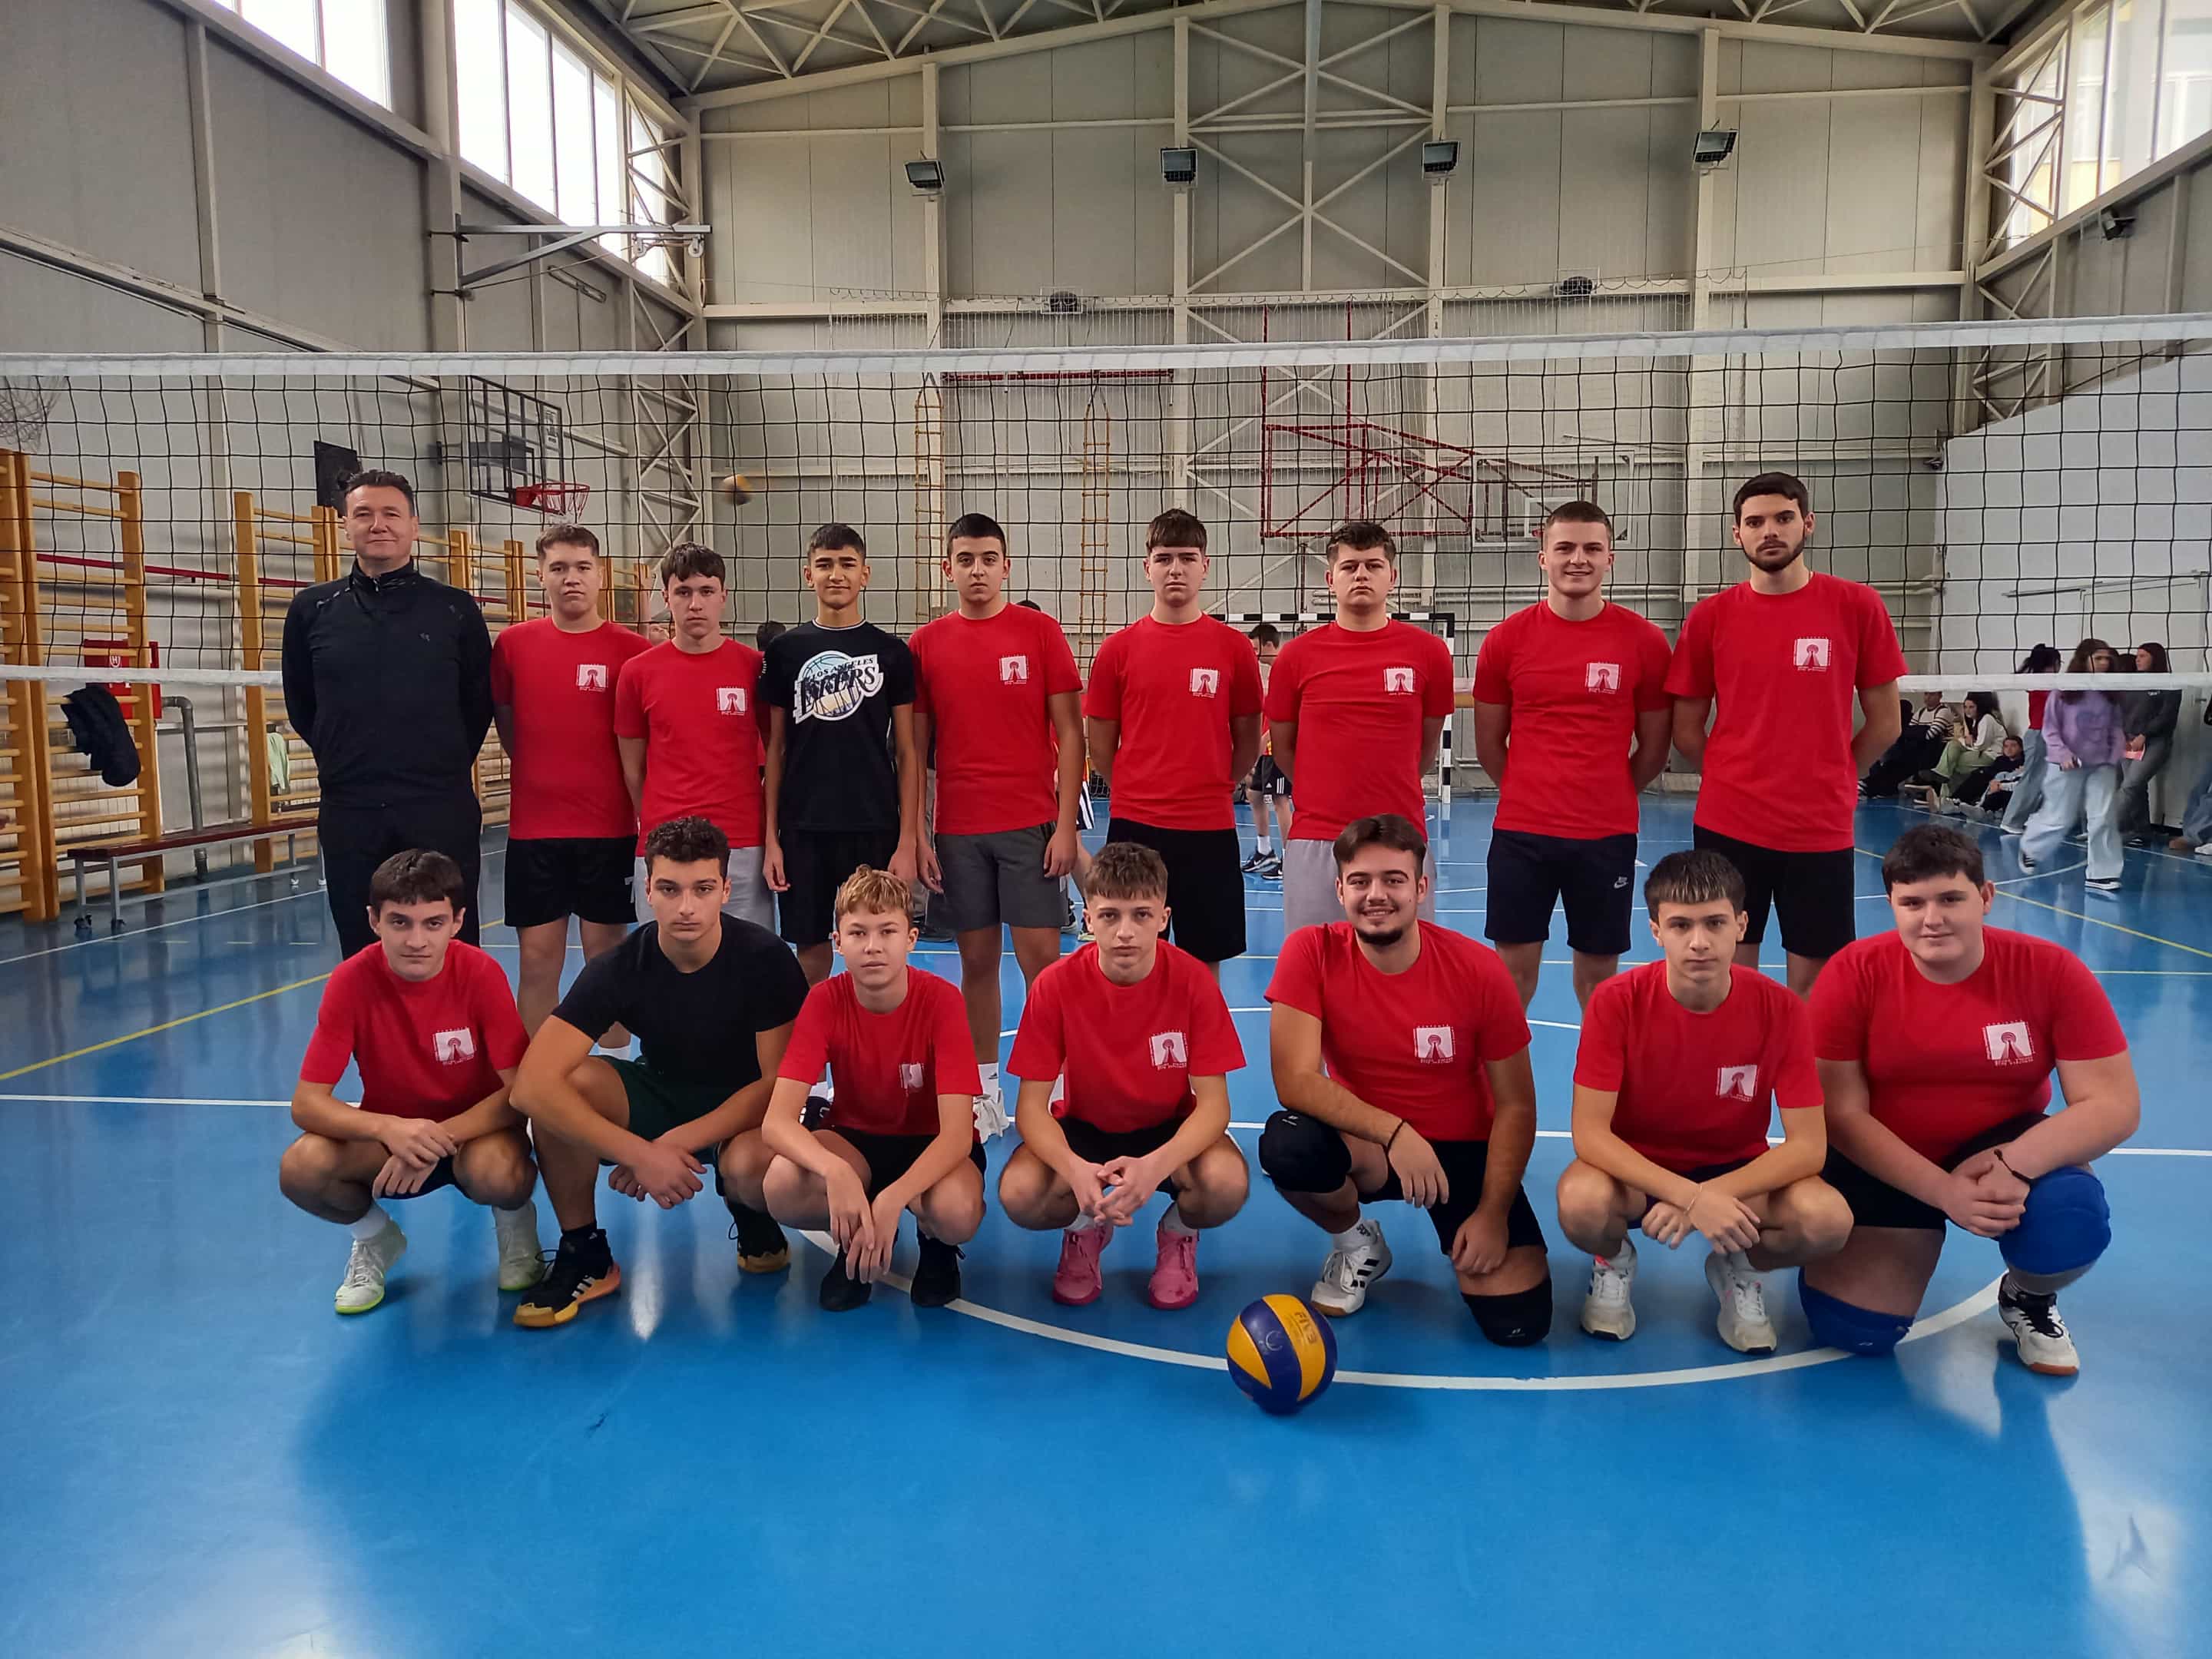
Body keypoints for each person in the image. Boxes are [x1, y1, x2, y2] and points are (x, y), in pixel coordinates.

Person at [1803, 824, 2137, 1376]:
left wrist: (2015, 1163)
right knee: (1856, 1331)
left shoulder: (2050, 970)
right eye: (1913, 903)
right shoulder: (1854, 972)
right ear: (1891, 905)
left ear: (1985, 897)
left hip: (2000, 1147)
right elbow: (1840, 1113)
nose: (1932, 919)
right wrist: (1941, 1191)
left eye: (1950, 899)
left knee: (2070, 1218)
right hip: (1885, 1153)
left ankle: (2028, 1296)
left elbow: (2113, 1104)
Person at [1257, 813, 1551, 1344]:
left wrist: (1493, 1213)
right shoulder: (1311, 951)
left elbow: (1517, 1105)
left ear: (1420, 888)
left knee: (1520, 1324)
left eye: (1393, 880)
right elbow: (1295, 1081)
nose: (1377, 895)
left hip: (1464, 1151)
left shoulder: (1478, 970)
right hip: (1371, 1145)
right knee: (1289, 1144)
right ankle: (1357, 1243)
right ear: (1340, 890)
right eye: (1361, 881)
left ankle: (1473, 1223)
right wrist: (1396, 1133)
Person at [508, 816, 810, 1328]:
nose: (686, 906)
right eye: (669, 889)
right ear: (647, 891)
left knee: (750, 1166)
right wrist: (639, 1153)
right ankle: (585, 1251)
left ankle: (751, 1213)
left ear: (725, 890)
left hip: (743, 1111)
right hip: (661, 1089)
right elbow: (530, 1087)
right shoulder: (620, 966)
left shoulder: (765, 959)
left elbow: (776, 1086)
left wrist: (674, 1143)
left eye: (702, 889)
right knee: (564, 1091)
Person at [1557, 850, 1851, 1353]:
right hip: (1639, 1172)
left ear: (1741, 925)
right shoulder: (1616, 1001)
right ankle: (1614, 1260)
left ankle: (1740, 1265)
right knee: (1581, 1204)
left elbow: (1808, 1147)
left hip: (1738, 1173)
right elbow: (1590, 1134)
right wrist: (1690, 1197)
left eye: (1714, 923)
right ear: (1656, 931)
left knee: (1828, 1221)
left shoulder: (1781, 1008)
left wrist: (1712, 1196)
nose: (1698, 942)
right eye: (1680, 925)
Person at [1668, 472, 1906, 997]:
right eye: (1755, 522)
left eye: (1783, 518)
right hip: (1729, 826)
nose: (1769, 531)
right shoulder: (1709, 618)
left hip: (1819, 828)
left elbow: (1886, 722)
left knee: (1818, 987)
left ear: (1808, 523)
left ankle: (1803, 1059)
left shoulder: (1857, 606)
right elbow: (1685, 728)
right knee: (1729, 979)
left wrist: (1834, 773)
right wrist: (1733, 777)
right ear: (1737, 534)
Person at [278, 849, 541, 1314]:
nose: (416, 940)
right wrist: (389, 1129)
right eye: (400, 922)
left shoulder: (481, 973)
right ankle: (375, 1238)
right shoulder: (350, 981)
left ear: (457, 922)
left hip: (476, 1135)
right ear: (374, 920)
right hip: (393, 1141)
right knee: (302, 1167)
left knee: (498, 1172)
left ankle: (516, 1225)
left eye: (433, 923)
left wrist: (433, 1140)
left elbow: (521, 1092)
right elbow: (307, 1103)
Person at [1001, 841, 1249, 1310]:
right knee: (1021, 1194)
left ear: (1164, 918)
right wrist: (1073, 1170)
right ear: (1088, 919)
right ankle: (1084, 1229)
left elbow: (1215, 1105)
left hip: (1167, 1127)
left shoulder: (1193, 981)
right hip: (1084, 1127)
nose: (1125, 932)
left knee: (1226, 1183)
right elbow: (1030, 1110)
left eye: (1141, 915)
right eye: (1110, 916)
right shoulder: (1055, 985)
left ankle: (1178, 1233)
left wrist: (1155, 1167)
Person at [910, 512, 1084, 1134]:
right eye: (966, 559)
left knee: (1044, 966)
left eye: (988, 558)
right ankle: (986, 1094)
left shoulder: (1039, 632)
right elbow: (915, 750)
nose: (977, 569)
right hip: (959, 830)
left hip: (1029, 825)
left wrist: (1066, 827)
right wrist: (919, 834)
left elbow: (1071, 732)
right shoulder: (926, 643)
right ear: (948, 568)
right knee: (977, 964)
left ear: (1006, 566)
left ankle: (1055, 1089)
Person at [281, 469, 493, 959]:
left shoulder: (455, 610)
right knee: (362, 948)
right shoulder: (312, 609)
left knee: (452, 946)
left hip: (438, 805)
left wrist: (434, 766)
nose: (378, 525)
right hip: (351, 808)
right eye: (364, 514)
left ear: (414, 526)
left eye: (391, 514)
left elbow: (477, 704)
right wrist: (349, 761)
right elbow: (303, 705)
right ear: (345, 526)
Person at [1471, 501, 1672, 1009]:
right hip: (1521, 835)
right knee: (1511, 981)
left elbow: (1654, 747)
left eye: (1591, 549)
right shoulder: (1505, 641)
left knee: (1600, 982)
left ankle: (1599, 1066)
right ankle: (1509, 1070)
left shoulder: (1645, 642)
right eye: (1564, 548)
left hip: (1606, 835)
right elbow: (1490, 745)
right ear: (1543, 557)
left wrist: (1609, 790)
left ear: (1610, 559)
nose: (1577, 559)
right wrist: (1528, 791)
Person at [759, 867, 984, 1311]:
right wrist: (836, 1172)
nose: (873, 946)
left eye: (887, 931)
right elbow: (776, 1123)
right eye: (858, 933)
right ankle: (854, 1239)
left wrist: (894, 1199)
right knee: (781, 1185)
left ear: (911, 939)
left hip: (931, 1142)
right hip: (855, 1141)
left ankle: (936, 1247)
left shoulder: (942, 1000)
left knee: (956, 1211)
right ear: (838, 942)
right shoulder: (825, 1000)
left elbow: (958, 1135)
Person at [1084, 510, 1263, 978]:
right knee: (1131, 958)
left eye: (1187, 558)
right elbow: (1100, 746)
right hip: (1136, 826)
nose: (1175, 569)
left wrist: (1216, 783)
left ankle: (1200, 1035)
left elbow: (1248, 737)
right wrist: (1135, 788)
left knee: (1205, 962)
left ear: (1205, 566)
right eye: (1164, 559)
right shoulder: (1117, 650)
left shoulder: (1233, 649)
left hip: (1209, 825)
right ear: (1148, 568)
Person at [490, 525, 649, 1031]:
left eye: (582, 567)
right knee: (538, 960)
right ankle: (540, 1075)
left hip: (610, 830)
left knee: (606, 961)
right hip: (535, 833)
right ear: (540, 575)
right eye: (558, 568)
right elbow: (509, 727)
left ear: (600, 575)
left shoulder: (633, 650)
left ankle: (615, 1068)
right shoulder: (513, 645)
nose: (571, 578)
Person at [1265, 522, 1455, 934]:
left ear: (1392, 576)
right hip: (1319, 836)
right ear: (1330, 579)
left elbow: (1425, 747)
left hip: (1401, 836)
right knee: (1316, 963)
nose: (1362, 575)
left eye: (1373, 565)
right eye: (1350, 567)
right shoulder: (1296, 658)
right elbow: (1284, 749)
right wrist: (1325, 792)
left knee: (1403, 966)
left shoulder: (1429, 653)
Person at [760, 524, 921, 985]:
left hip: (873, 825)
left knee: (876, 948)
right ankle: (811, 1035)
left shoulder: (891, 653)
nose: (836, 574)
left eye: (847, 564)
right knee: (810, 951)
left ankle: (872, 1034)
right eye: (825, 565)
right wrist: (772, 839)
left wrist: (907, 842)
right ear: (807, 574)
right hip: (803, 828)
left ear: (865, 574)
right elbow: (775, 749)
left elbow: (907, 752)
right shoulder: (786, 651)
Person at [613, 544, 774, 926]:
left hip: (742, 844)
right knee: (663, 958)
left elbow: (776, 754)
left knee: (746, 955)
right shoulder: (637, 673)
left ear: (723, 596)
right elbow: (633, 769)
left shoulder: (754, 668)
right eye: (683, 592)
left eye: (706, 591)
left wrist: (771, 836)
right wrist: (657, 818)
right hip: (663, 845)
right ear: (667, 597)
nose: (695, 604)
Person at [2018, 638, 2126, 893]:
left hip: (2101, 764)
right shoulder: (2063, 691)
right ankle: (2031, 848)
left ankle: (2102, 873)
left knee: (2103, 818)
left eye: (2107, 659)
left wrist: (2113, 756)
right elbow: (2050, 729)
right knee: (2060, 817)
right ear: (2084, 659)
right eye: (2098, 658)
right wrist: (2063, 754)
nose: (2104, 663)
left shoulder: (2110, 693)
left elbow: (2116, 727)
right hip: (2067, 763)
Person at [1242, 623, 1290, 879]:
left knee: (1280, 800)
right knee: (1254, 794)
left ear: (1269, 645)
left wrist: (1262, 742)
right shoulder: (1274, 672)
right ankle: (1264, 851)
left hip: (1278, 747)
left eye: (1256, 648)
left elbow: (1287, 715)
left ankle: (1289, 859)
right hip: (1267, 747)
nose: (1254, 654)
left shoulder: (1286, 668)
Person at [2116, 641, 2178, 843]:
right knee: (2137, 787)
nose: (2137, 659)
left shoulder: (2170, 683)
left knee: (2131, 785)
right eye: (2137, 655)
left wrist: (2145, 734)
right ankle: (2141, 831)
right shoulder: (2132, 682)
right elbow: (2121, 711)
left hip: (2155, 741)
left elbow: (2167, 715)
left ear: (2155, 658)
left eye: (2143, 656)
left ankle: (2106, 828)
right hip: (2129, 740)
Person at [1902, 691, 2007, 806]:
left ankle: (1943, 794)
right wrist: (1965, 740)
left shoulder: (1987, 719)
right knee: (1953, 745)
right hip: (1978, 752)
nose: (1967, 710)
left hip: (1990, 755)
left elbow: (1980, 745)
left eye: (1971, 707)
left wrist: (1967, 741)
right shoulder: (1976, 720)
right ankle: (1942, 780)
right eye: (1965, 707)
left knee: (1952, 764)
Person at [2001, 644, 2062, 834]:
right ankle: (2012, 821)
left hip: (2046, 736)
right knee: (2031, 779)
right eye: (2058, 663)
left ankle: (2031, 817)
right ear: (2052, 664)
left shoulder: (2045, 683)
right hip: (2039, 735)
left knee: (2046, 780)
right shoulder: (2043, 684)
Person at [1862, 691, 1955, 799]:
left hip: (1939, 752)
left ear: (1940, 696)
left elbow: (1930, 735)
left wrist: (1917, 732)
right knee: (1896, 760)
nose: (1928, 697)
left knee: (1906, 760)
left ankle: (1871, 786)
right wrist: (1921, 731)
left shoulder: (1943, 712)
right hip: (1919, 750)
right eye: (1926, 694)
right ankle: (1873, 786)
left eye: (1932, 694)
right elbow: (1908, 732)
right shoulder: (1921, 712)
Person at [1955, 736, 2028, 818]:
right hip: (1993, 782)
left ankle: (1982, 808)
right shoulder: (2001, 760)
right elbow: (1991, 771)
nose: (2009, 749)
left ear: (2021, 748)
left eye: (2013, 746)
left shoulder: (2025, 762)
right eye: (2006, 746)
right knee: (1978, 777)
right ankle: (1957, 802)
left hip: (2006, 785)